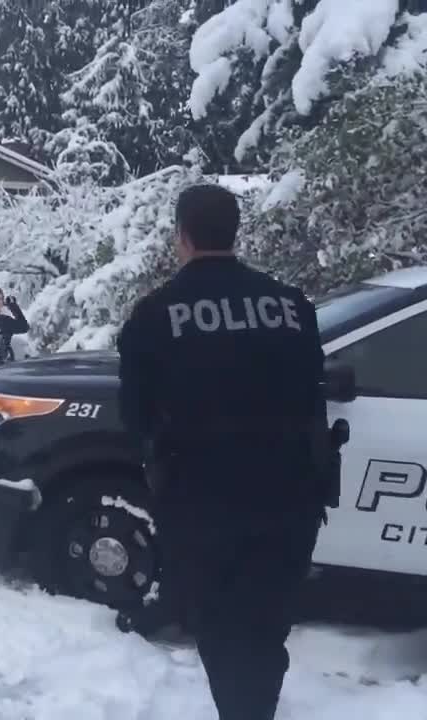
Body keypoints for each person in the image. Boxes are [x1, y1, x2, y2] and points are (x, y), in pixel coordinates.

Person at [116, 184, 329, 720]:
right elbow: (313, 396)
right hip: (290, 497)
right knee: (264, 625)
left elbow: (135, 418)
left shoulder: (154, 315)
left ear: (182, 236)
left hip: (202, 499)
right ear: (237, 231)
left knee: (221, 626)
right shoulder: (292, 306)